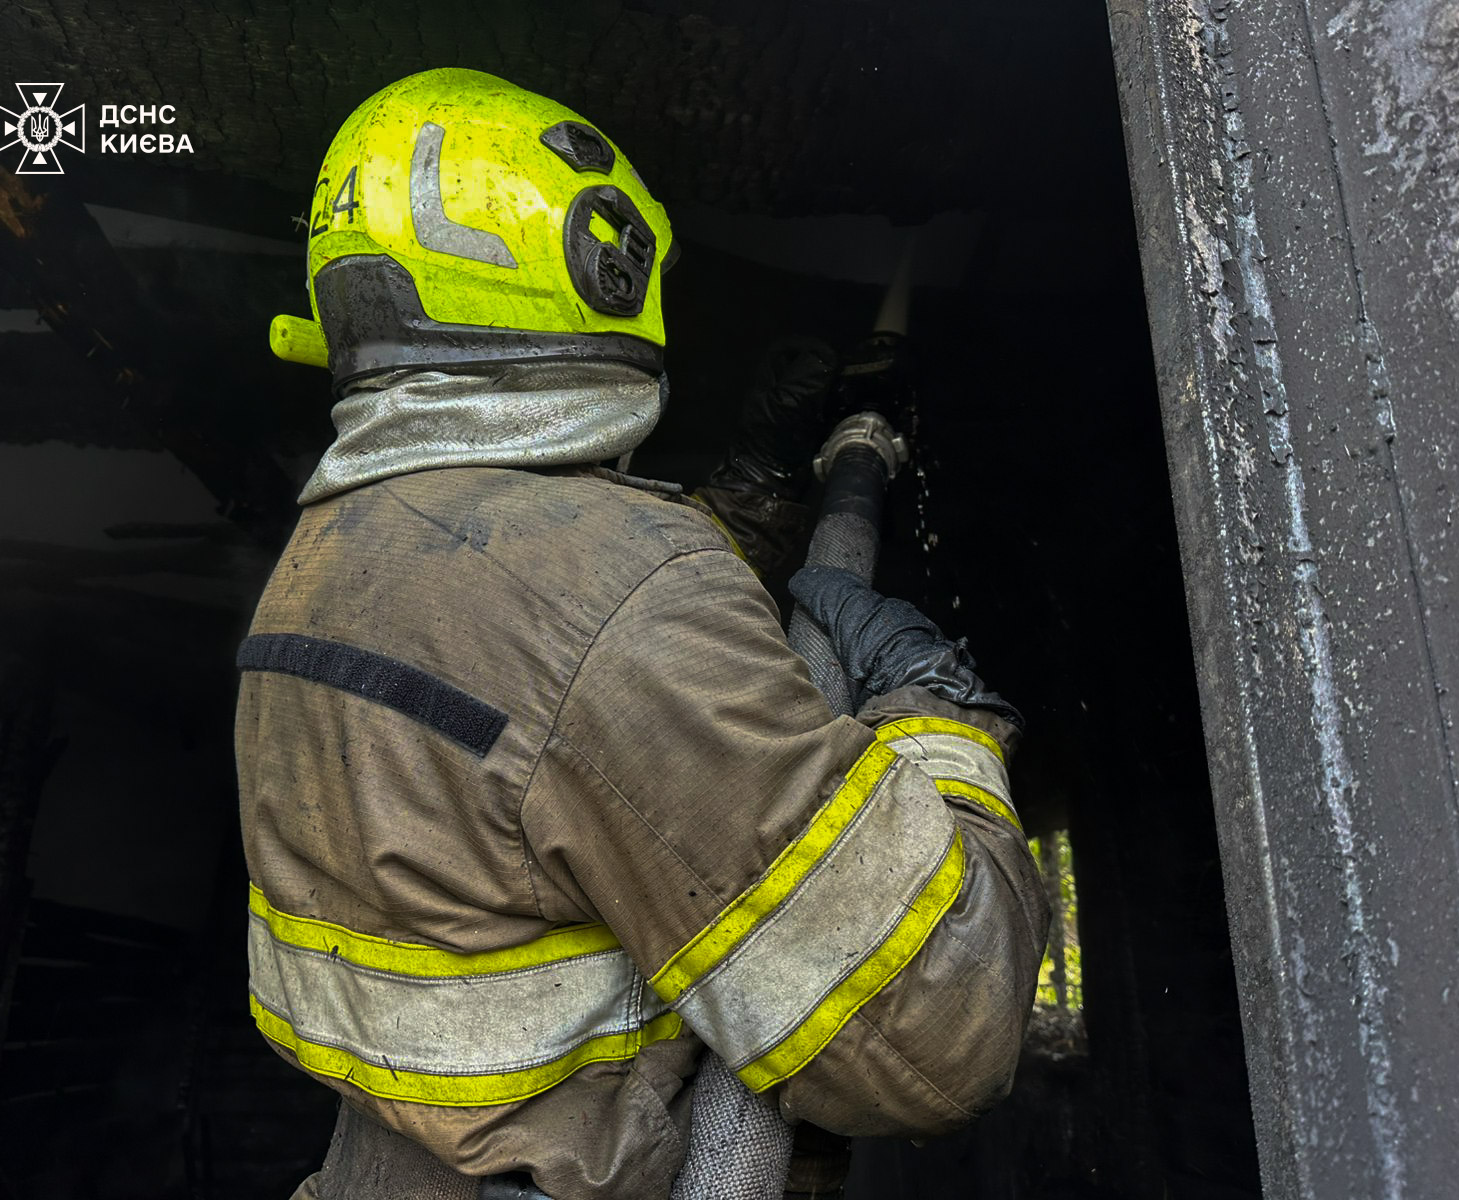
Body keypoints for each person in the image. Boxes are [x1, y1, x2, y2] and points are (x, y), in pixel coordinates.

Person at [237, 67, 1049, 1200]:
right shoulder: (616, 604)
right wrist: (939, 713)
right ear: (597, 264)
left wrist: (757, 487)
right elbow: (938, 1035)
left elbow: (545, 679)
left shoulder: (324, 562)